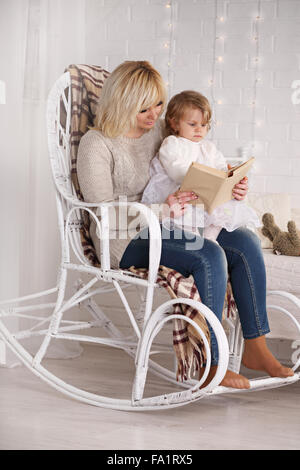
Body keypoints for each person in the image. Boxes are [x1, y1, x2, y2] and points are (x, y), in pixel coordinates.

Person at [77, 60, 294, 390]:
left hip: (170, 223)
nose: (154, 116)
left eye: (159, 105)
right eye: (143, 109)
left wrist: (228, 183)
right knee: (207, 254)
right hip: (124, 236)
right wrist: (163, 207)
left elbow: (190, 167)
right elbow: (103, 213)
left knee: (245, 240)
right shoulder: (97, 144)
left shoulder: (155, 137)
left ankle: (256, 345)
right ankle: (212, 362)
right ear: (121, 103)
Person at [141, 90, 261, 242]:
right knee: (186, 218)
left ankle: (210, 240)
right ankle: (197, 241)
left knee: (222, 213)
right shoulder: (172, 143)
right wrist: (200, 179)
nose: (199, 129)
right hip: (181, 192)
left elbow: (220, 166)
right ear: (174, 122)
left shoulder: (208, 147)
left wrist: (229, 176)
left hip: (205, 193)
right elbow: (175, 168)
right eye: (192, 124)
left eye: (204, 125)